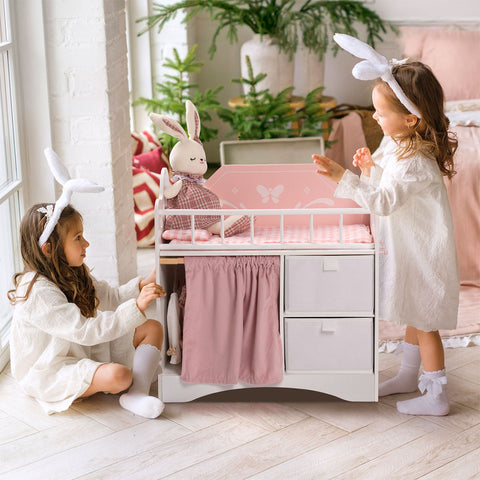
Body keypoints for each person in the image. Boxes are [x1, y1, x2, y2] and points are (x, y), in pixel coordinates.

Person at [312, 34, 459, 416]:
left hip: (424, 255)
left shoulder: (415, 161)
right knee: (414, 313)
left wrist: (343, 177)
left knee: (425, 322)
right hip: (408, 247)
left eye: (381, 112)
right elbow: (386, 188)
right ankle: (409, 377)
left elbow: (383, 201)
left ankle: (437, 396)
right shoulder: (397, 145)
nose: (375, 117)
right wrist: (370, 168)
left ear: (410, 118)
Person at [8, 202, 166, 419]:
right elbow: (85, 331)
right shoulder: (37, 292)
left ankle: (137, 394)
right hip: (52, 367)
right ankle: (104, 380)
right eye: (78, 238)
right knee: (120, 376)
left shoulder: (71, 270)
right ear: (49, 249)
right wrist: (136, 306)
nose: (86, 243)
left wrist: (145, 283)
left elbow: (110, 298)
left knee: (152, 328)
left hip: (82, 347)